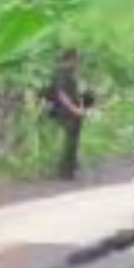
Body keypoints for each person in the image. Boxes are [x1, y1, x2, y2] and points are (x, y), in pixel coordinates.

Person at [46, 48, 89, 181]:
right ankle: (65, 171)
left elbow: (75, 92)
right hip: (66, 112)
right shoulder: (61, 73)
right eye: (77, 59)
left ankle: (71, 167)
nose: (78, 62)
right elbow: (62, 94)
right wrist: (75, 109)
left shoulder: (69, 73)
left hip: (73, 111)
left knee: (73, 141)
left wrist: (81, 107)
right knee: (70, 142)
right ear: (71, 59)